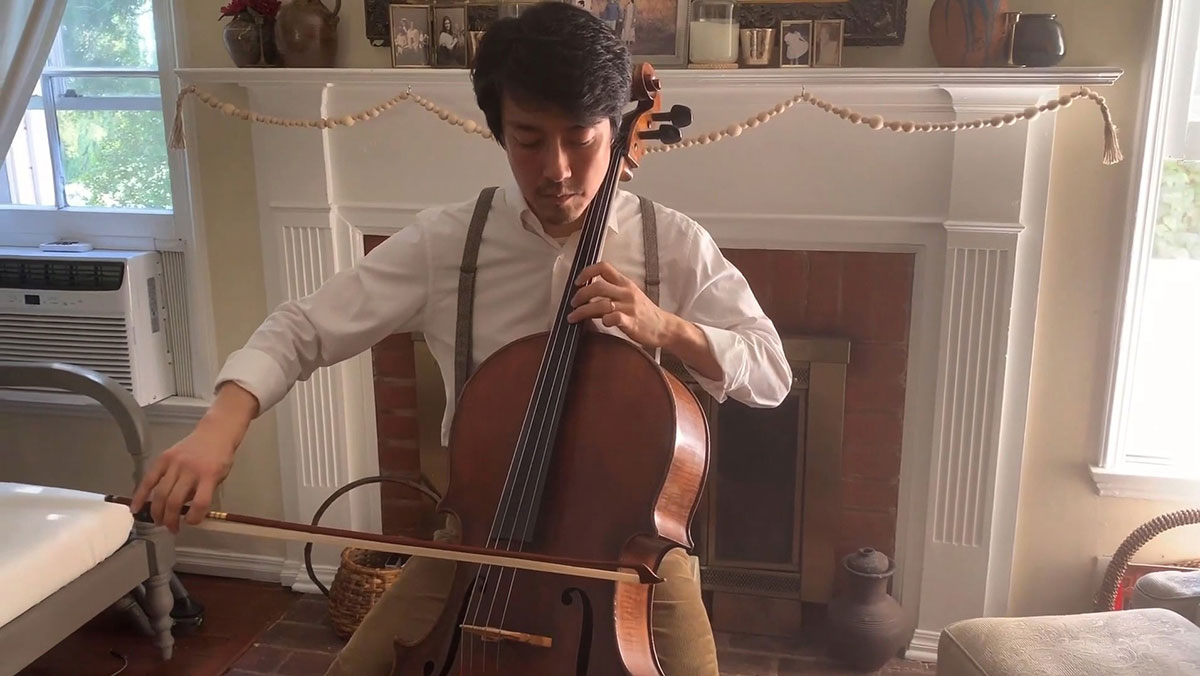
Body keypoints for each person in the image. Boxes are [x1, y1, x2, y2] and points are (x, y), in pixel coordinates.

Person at [130, 3, 791, 674]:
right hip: (478, 550)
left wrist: (668, 328)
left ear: (617, 129)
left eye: (581, 138)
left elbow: (771, 374)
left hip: (631, 561)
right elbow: (302, 328)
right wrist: (221, 424)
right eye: (530, 139)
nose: (557, 169)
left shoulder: (670, 242)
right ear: (497, 131)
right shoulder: (452, 242)